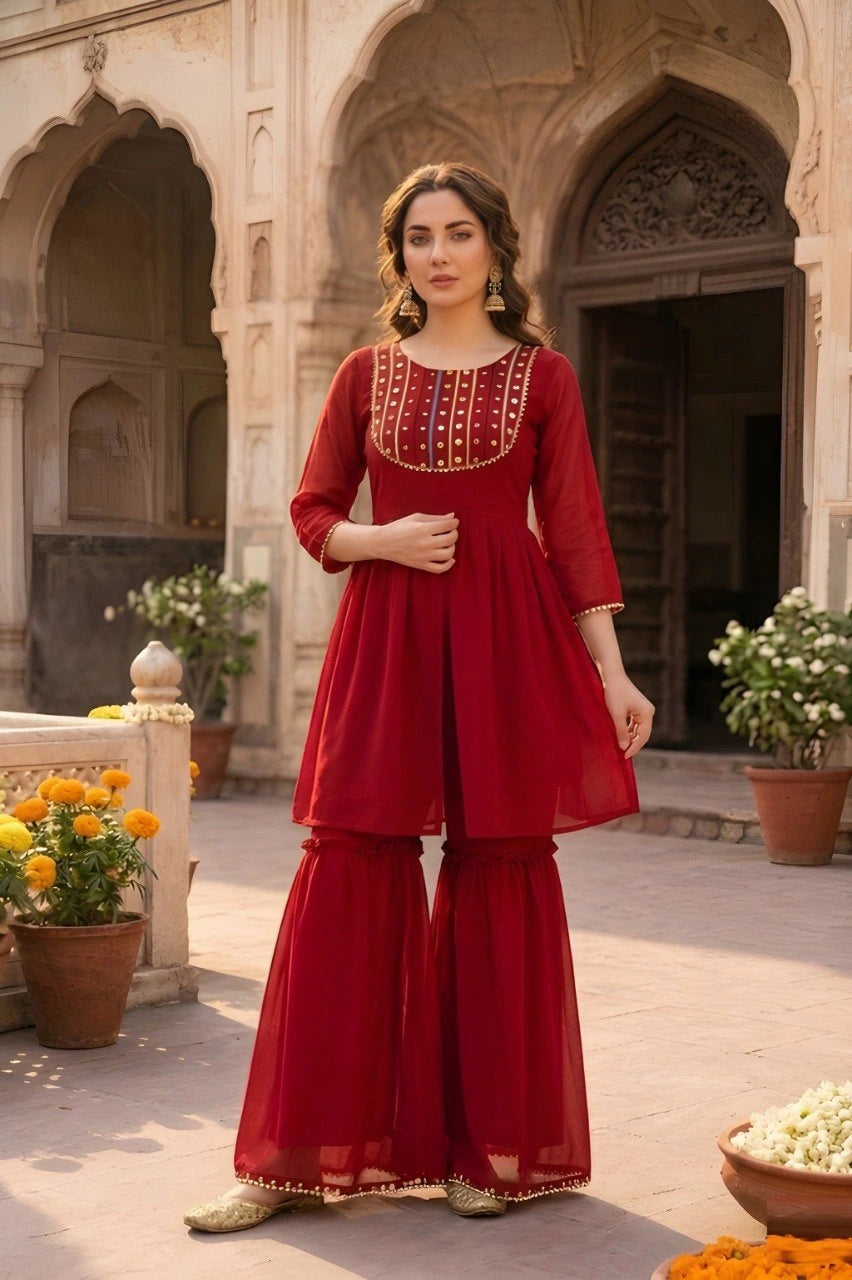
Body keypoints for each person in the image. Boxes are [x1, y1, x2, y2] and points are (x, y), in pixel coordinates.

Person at [184, 161, 654, 1233]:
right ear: (397, 256)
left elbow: (575, 532)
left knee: (498, 865)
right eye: (418, 237)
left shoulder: (544, 380)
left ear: (495, 246)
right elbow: (310, 510)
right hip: (387, 640)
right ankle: (291, 1158)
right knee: (349, 862)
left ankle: (496, 1149)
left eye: (458, 233)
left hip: (504, 645)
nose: (436, 254)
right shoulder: (363, 374)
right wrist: (378, 538)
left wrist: (612, 671)